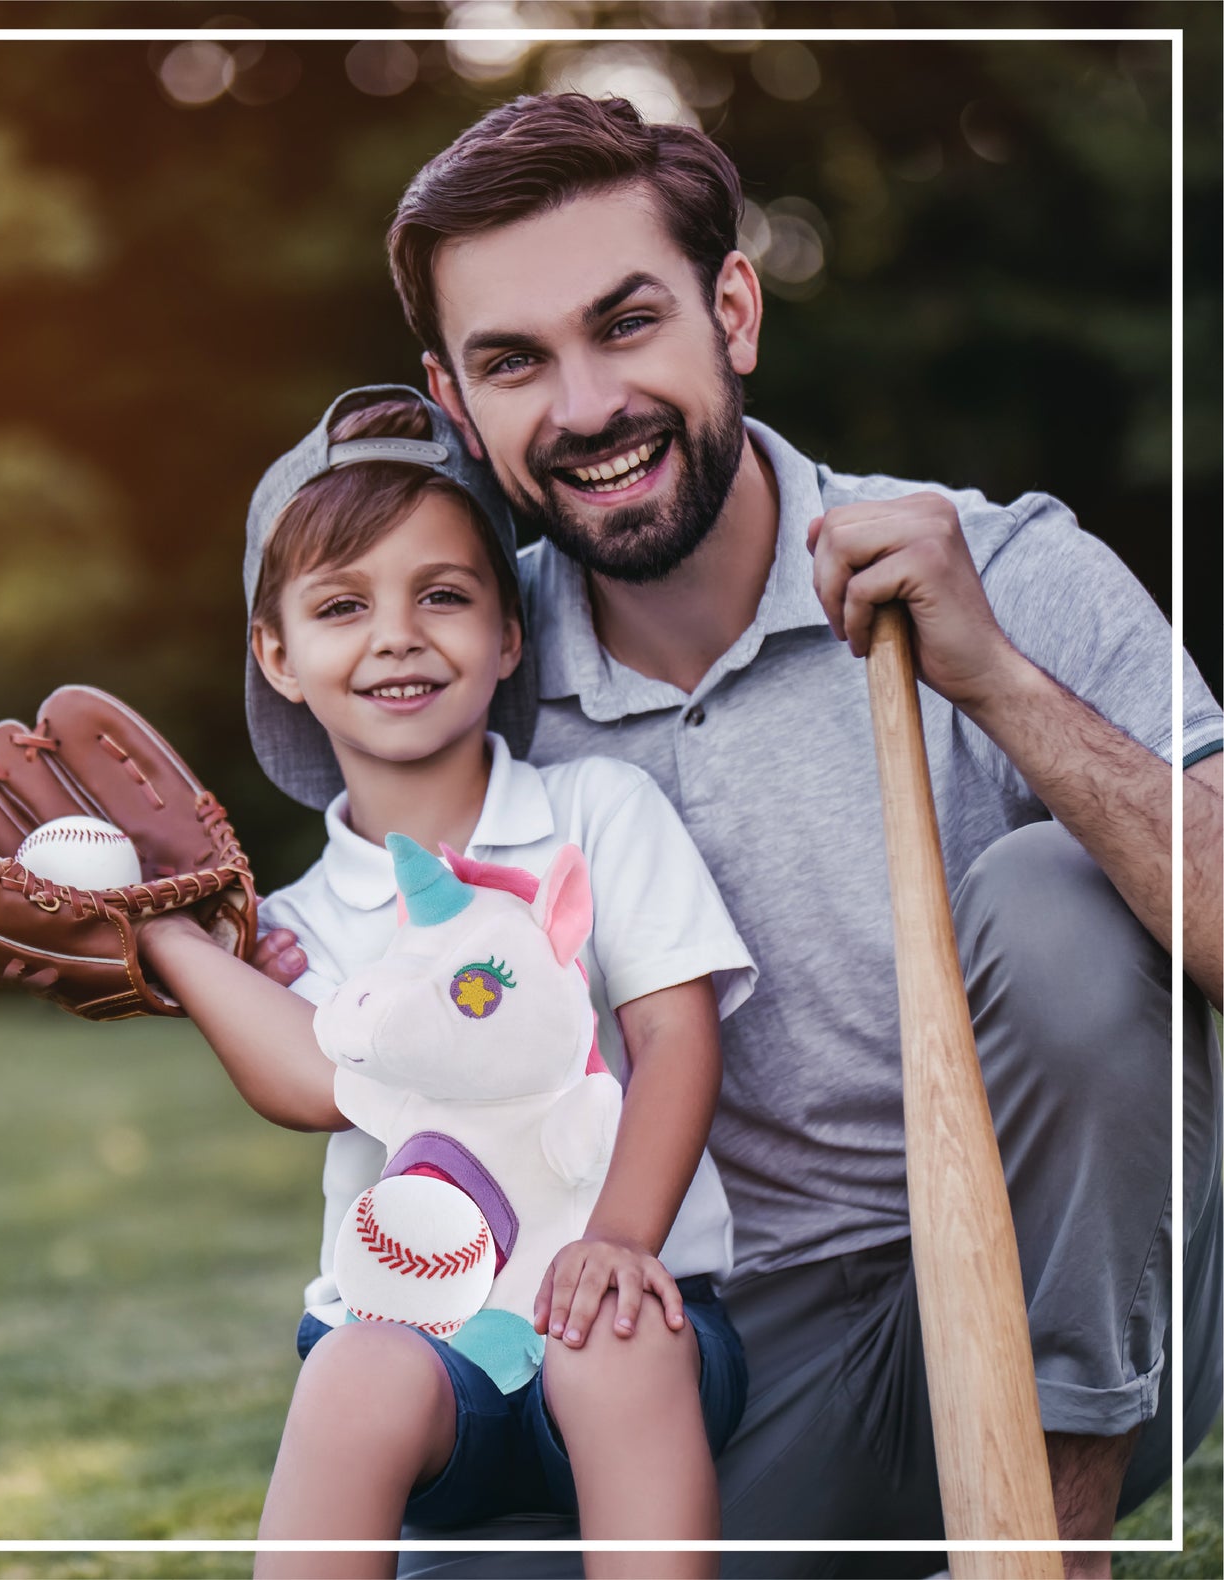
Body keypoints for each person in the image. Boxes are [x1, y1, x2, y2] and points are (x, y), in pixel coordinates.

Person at [256, 94, 1222, 1579]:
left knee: (1056, 901)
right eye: (514, 362)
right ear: (454, 399)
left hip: (1059, 1297)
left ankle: (1045, 1553)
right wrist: (161, 939)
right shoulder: (461, 661)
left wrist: (997, 682)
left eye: (625, 323)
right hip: (700, 1348)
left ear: (733, 310)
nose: (585, 406)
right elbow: (347, 936)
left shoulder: (1001, 566)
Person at [142, 385, 756, 1579]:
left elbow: (677, 1038)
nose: (396, 635)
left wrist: (617, 1239)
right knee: (351, 1370)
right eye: (340, 605)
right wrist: (170, 936)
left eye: (442, 594)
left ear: (508, 633)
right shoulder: (294, 924)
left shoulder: (594, 812)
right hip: (427, 1352)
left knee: (612, 1336)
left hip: (638, 1317)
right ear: (276, 653)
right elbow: (319, 1081)